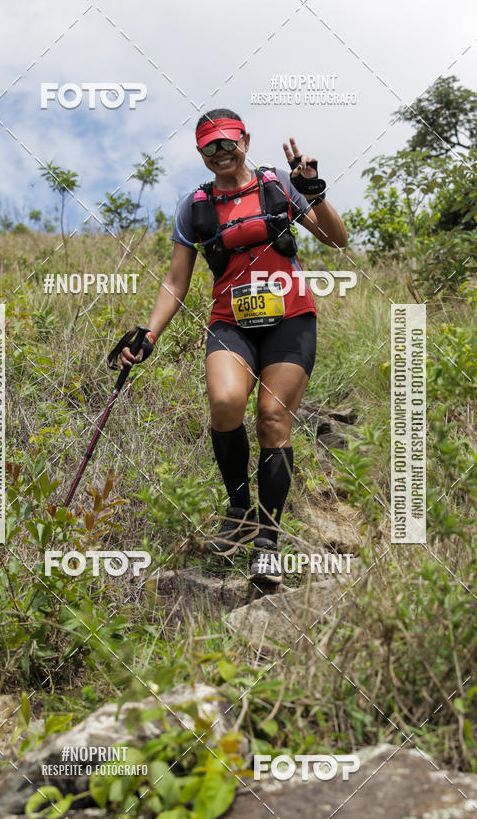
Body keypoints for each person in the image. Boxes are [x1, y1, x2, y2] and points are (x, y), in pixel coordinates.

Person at [120, 108, 347, 583]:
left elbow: (336, 239)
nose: (221, 153)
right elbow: (175, 281)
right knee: (225, 404)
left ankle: (268, 540)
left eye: (228, 142)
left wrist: (313, 194)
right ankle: (239, 511)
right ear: (200, 152)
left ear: (245, 141)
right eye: (210, 146)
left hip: (290, 320)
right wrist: (150, 332)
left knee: (273, 418)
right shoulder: (195, 207)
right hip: (231, 323)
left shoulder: (279, 185)